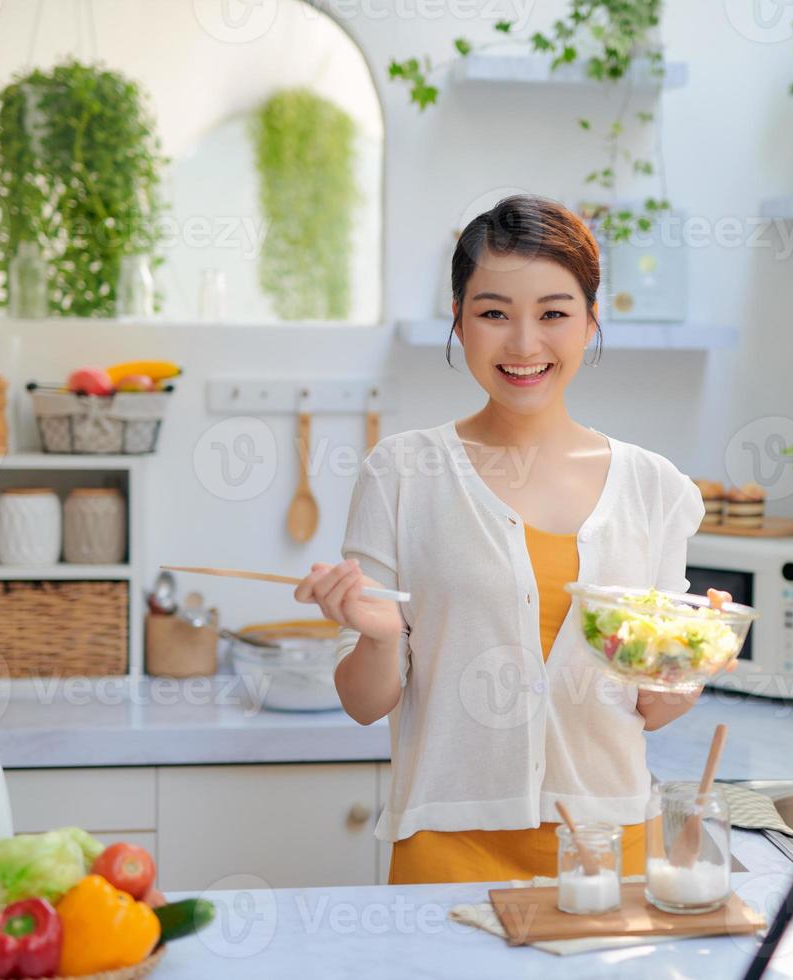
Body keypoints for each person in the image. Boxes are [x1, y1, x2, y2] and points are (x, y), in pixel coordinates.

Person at [295, 194, 706, 884]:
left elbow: (652, 707)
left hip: (609, 852)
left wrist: (691, 655)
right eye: (493, 313)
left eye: (553, 313)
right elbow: (365, 703)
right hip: (448, 850)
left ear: (589, 322)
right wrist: (379, 635)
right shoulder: (402, 473)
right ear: (458, 321)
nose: (523, 344)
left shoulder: (654, 488)